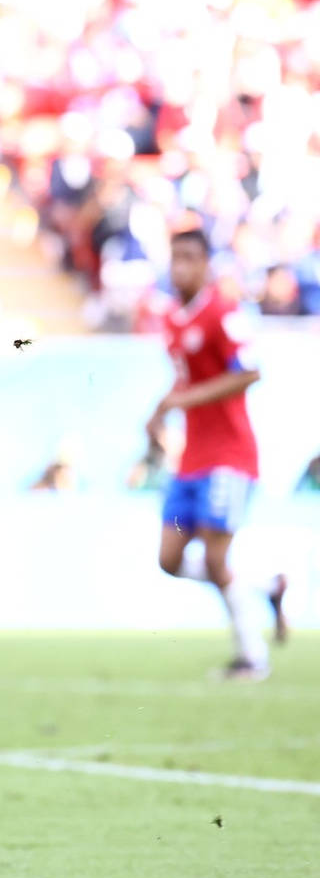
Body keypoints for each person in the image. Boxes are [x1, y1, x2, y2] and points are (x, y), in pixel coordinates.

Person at [151, 228, 289, 678]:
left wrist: (184, 401)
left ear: (207, 264)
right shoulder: (172, 320)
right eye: (176, 257)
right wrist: (159, 411)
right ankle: (267, 587)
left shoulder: (223, 312)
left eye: (191, 257)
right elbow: (184, 381)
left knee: (214, 558)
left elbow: (250, 372)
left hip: (230, 456)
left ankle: (252, 658)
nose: (181, 266)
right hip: (191, 460)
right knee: (169, 560)